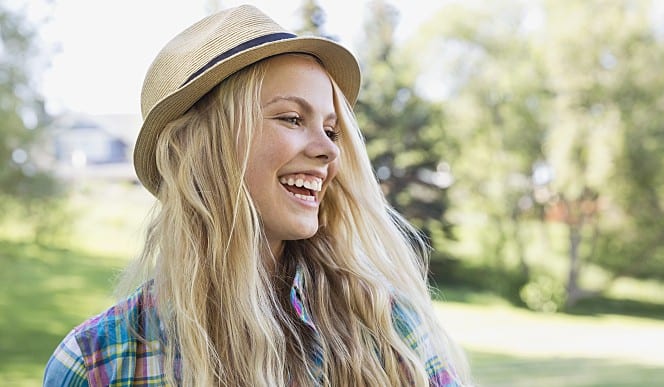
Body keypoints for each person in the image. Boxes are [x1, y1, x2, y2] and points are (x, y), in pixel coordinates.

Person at [44, 4, 471, 386]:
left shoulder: (387, 331)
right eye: (291, 118)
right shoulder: (97, 363)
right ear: (199, 148)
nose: (328, 151)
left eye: (331, 129)